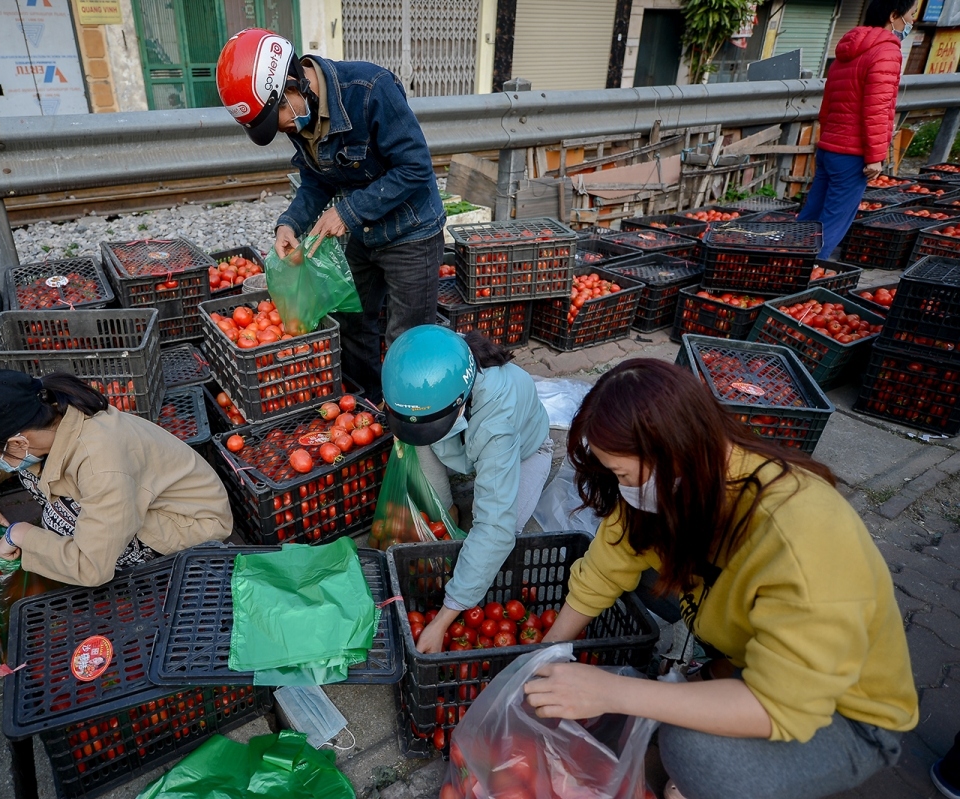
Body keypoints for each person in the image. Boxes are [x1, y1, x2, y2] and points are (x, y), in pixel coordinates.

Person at [522, 360, 917, 799]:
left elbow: (778, 707)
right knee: (637, 582)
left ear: (673, 453)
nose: (622, 488)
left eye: (623, 476)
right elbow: (604, 567)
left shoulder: (801, 538)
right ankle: (712, 675)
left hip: (842, 715)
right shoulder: (683, 482)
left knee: (690, 748)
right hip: (747, 656)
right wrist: (548, 653)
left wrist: (613, 692)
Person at [216, 28, 445, 401]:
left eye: (281, 121)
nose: (286, 130)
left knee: (407, 339)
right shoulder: (296, 113)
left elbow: (416, 168)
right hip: (365, 232)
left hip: (412, 230)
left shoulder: (370, 90)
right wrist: (290, 222)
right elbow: (315, 181)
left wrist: (348, 212)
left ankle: (413, 420)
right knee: (353, 322)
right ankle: (369, 407)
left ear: (294, 85)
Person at [0, 369, 233, 587]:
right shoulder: (50, 413)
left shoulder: (100, 464)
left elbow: (91, 568)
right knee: (55, 509)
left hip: (191, 527)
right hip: (140, 498)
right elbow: (1, 459)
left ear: (17, 443)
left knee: (62, 521)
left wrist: (22, 535)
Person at [381, 326, 551, 654]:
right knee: (418, 438)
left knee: (505, 529)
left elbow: (494, 529)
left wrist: (444, 618)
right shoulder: (434, 357)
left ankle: (461, 537)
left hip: (527, 452)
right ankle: (450, 512)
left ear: (460, 402)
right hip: (462, 438)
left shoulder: (496, 423)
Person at [798, 0, 911, 258]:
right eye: (910, 15)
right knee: (832, 222)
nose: (911, 21)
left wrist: (826, 139)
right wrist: (875, 156)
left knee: (810, 216)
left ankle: (784, 262)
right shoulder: (885, 52)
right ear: (894, 15)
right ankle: (806, 274)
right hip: (853, 152)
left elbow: (827, 106)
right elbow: (878, 109)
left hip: (830, 148)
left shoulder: (845, 51)